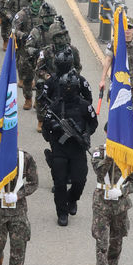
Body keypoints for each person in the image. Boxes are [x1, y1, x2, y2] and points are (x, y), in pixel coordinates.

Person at [41, 62, 98, 226]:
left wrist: (85, 134)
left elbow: (93, 123)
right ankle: (62, 212)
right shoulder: (55, 106)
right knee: (59, 182)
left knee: (79, 181)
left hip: (78, 148)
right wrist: (55, 127)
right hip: (60, 148)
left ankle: (72, 199)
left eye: (70, 88)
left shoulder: (84, 106)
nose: (67, 91)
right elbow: (46, 125)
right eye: (65, 88)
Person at [91, 144, 133, 265]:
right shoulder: (98, 153)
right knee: (102, 243)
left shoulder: (130, 155)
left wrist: (122, 191)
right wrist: (110, 157)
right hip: (102, 205)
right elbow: (99, 171)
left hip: (120, 205)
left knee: (116, 240)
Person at [98, 18, 133, 105]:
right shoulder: (115, 43)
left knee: (129, 114)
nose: (127, 29)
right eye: (125, 27)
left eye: (130, 27)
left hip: (132, 85)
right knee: (114, 111)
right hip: (117, 83)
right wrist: (102, 80)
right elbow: (108, 60)